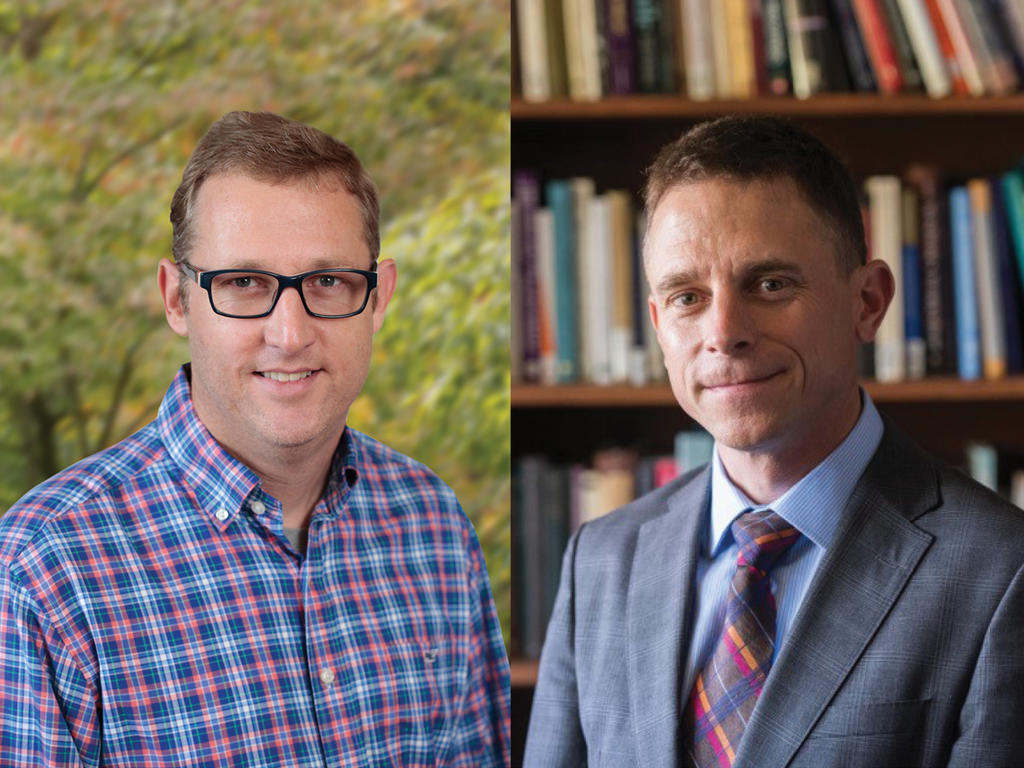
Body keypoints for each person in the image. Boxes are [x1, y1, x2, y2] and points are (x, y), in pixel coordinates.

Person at [0, 111, 510, 767]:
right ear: (177, 299)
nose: (290, 332)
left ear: (379, 298)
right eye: (244, 283)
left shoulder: (432, 524)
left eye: (328, 281)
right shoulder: (43, 572)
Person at [523, 116, 1024, 767]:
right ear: (657, 324)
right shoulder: (600, 559)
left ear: (867, 302)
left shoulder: (1001, 572)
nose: (723, 331)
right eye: (687, 296)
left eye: (770, 284)